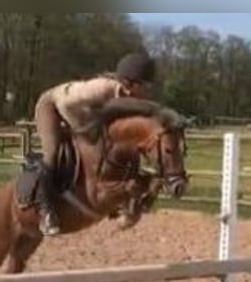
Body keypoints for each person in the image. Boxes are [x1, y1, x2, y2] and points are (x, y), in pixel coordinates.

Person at [32, 52, 157, 236]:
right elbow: (65, 105)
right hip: (52, 106)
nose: (147, 91)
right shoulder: (99, 89)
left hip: (81, 113)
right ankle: (46, 210)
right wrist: (79, 129)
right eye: (145, 86)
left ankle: (124, 204)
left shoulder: (131, 99)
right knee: (52, 153)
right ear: (131, 83)